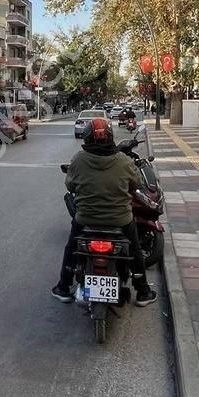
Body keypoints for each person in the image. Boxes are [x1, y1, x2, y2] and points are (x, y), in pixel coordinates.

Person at [51, 117, 156, 306]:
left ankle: (64, 286)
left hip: (85, 218)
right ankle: (143, 291)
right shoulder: (123, 161)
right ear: (110, 137)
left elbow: (70, 185)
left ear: (87, 138)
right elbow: (137, 184)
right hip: (121, 220)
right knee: (135, 250)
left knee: (71, 248)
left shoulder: (78, 159)